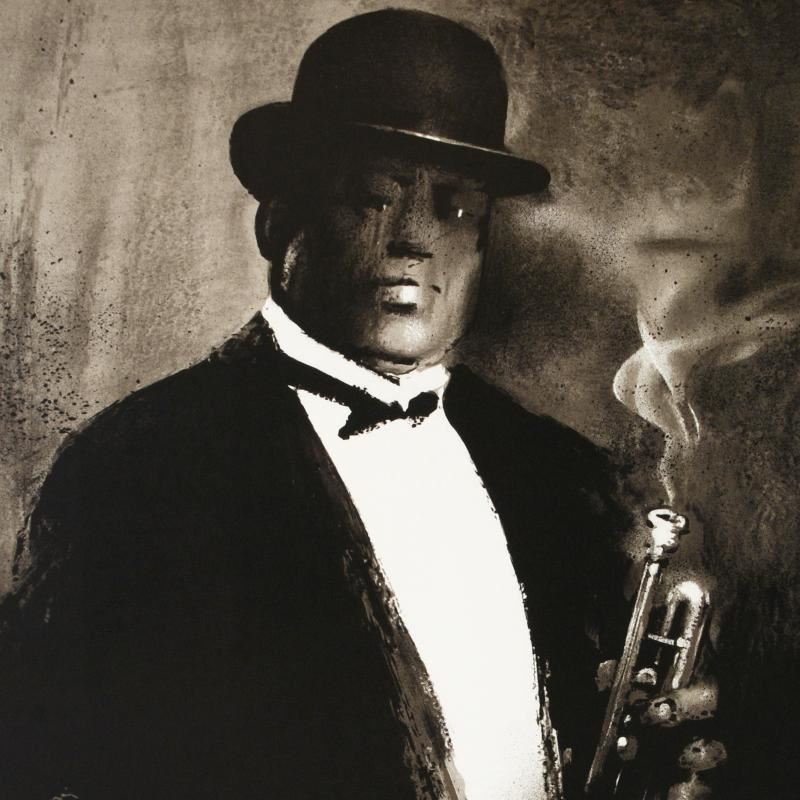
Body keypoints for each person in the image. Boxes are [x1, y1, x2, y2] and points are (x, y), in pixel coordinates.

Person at [0, 9, 720, 800]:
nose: (413, 237)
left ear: (483, 243)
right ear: (281, 224)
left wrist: (665, 742)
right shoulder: (136, 469)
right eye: (373, 198)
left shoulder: (559, 474)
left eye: (455, 207)